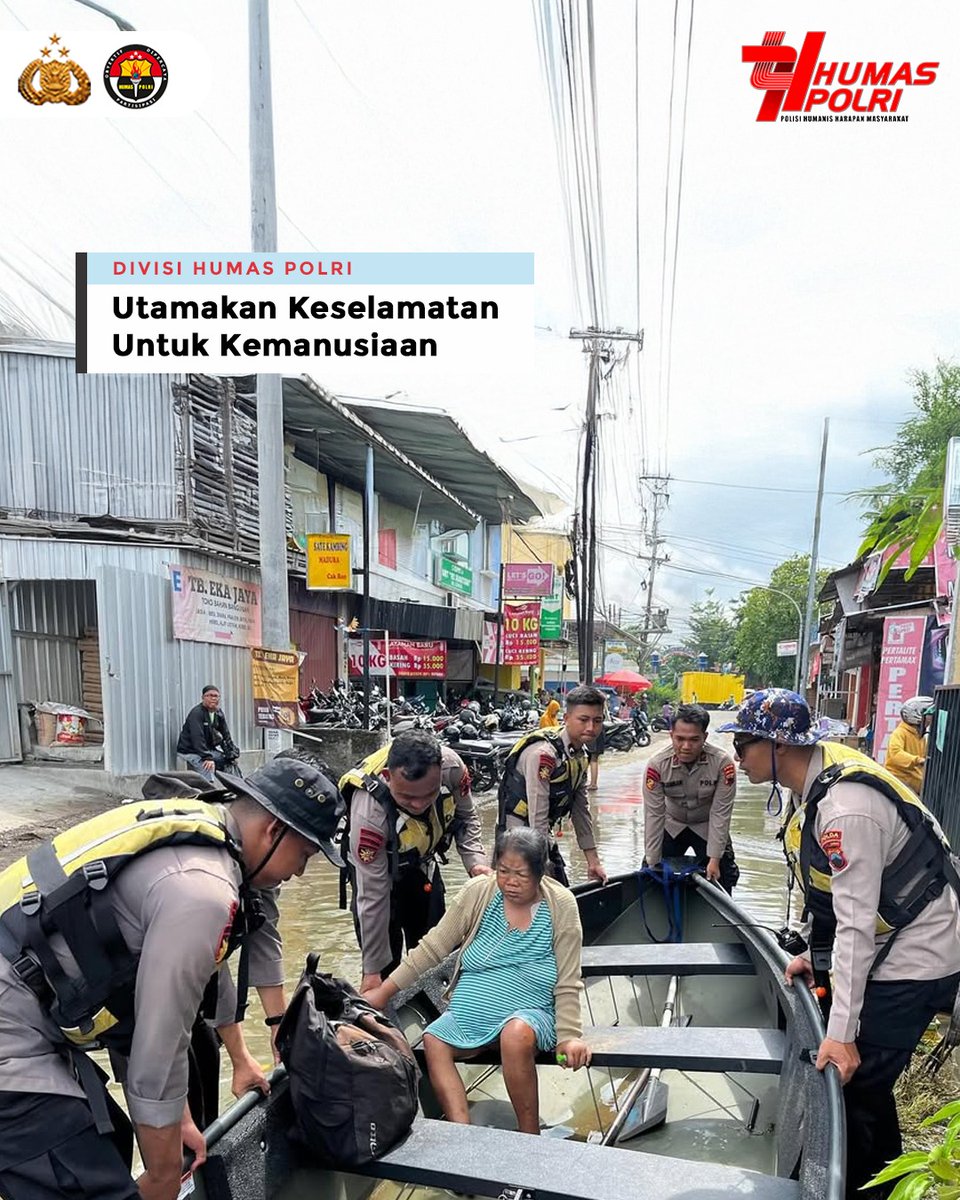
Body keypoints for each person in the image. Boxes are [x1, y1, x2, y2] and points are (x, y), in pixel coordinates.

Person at [0, 754, 343, 1200]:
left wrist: (177, 1120)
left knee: (114, 1137)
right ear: (273, 831)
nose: (300, 872)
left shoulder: (193, 829)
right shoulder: (204, 891)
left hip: (29, 1010)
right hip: (13, 1032)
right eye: (305, 854)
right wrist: (163, 1171)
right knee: (93, 1183)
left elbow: (135, 1003)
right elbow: (158, 1048)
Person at [720, 688, 960, 1198]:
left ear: (779, 745)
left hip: (919, 955)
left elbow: (855, 924)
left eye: (743, 744)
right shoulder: (817, 779)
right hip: (893, 942)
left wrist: (842, 1035)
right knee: (864, 1091)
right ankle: (887, 1180)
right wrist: (812, 953)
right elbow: (831, 895)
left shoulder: (845, 810)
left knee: (856, 1083)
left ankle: (869, 1188)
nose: (737, 757)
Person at [362, 827, 591, 1135]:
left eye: (521, 875)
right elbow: (432, 948)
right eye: (503, 871)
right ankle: (463, 1135)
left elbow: (568, 978)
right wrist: (384, 992)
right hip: (471, 1015)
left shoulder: (561, 904)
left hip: (530, 1015)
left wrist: (569, 1036)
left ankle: (530, 1136)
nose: (510, 882)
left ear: (540, 873)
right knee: (434, 1039)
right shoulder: (478, 892)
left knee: (514, 1034)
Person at [340, 730, 492, 995]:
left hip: (422, 865)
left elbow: (467, 817)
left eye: (429, 794)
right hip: (378, 876)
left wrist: (475, 862)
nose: (419, 804)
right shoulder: (369, 811)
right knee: (385, 969)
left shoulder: (453, 769)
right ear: (387, 777)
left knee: (436, 956)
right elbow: (372, 895)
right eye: (407, 798)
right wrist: (372, 971)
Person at [498, 684, 608, 887]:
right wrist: (543, 868)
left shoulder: (578, 755)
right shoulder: (544, 755)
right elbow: (537, 813)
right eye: (583, 720)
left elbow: (581, 810)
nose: (591, 727)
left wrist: (593, 861)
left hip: (540, 835)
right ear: (566, 718)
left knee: (562, 894)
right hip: (517, 839)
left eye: (597, 720)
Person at [643, 703, 739, 892]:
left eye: (694, 739)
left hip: (707, 825)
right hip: (672, 823)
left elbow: (720, 813)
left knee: (724, 875)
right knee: (649, 876)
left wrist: (714, 860)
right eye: (680, 739)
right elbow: (654, 815)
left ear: (705, 737)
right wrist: (652, 862)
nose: (686, 747)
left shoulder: (722, 763)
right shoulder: (657, 765)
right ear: (671, 735)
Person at [177, 684, 239, 783]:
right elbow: (197, 738)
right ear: (203, 697)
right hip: (190, 751)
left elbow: (225, 734)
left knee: (229, 762)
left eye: (216, 696)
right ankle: (208, 788)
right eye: (210, 695)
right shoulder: (197, 713)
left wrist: (231, 751)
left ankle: (237, 786)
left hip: (207, 750)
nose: (213, 698)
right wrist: (207, 757)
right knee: (207, 766)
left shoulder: (218, 713)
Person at [884, 694, 932, 795]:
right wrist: (917, 760)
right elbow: (895, 754)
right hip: (900, 780)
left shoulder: (920, 736)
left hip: (915, 782)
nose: (930, 719)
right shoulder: (900, 733)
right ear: (916, 715)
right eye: (928, 715)